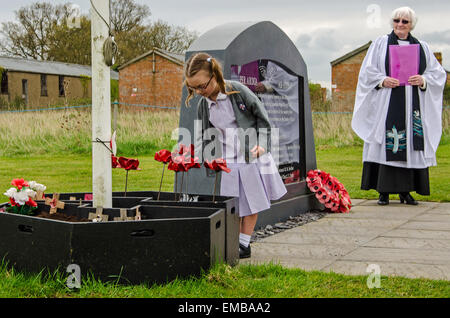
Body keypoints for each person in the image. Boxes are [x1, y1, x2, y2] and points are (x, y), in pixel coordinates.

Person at [184, 52, 287, 258]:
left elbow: (263, 120)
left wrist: (263, 145)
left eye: (202, 86)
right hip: (228, 161)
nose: (199, 91)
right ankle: (233, 242)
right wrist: (201, 156)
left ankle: (244, 244)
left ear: (215, 76)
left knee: (252, 200)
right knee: (234, 204)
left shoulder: (238, 91)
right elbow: (202, 134)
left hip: (250, 156)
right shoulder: (204, 104)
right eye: (193, 88)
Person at [352, 6, 446, 205]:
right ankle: (383, 192)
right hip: (386, 103)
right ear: (392, 22)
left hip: (412, 105)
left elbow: (437, 74)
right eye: (397, 20)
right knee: (385, 143)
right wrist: (382, 80)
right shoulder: (380, 44)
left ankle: (406, 191)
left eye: (405, 21)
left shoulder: (422, 47)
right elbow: (367, 72)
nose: (400, 25)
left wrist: (423, 79)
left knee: (410, 145)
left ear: (412, 25)